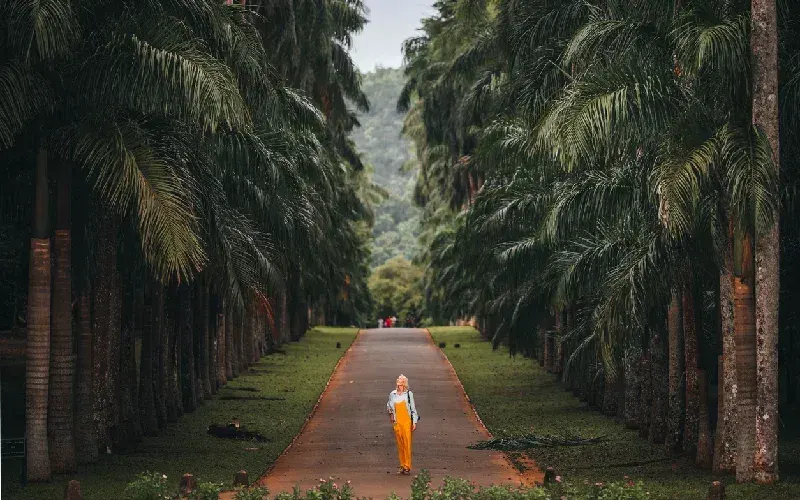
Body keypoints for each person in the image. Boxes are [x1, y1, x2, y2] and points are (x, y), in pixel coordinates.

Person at [386, 374, 418, 475]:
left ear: (405, 385)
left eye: (401, 384)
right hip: (397, 422)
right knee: (400, 444)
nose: (400, 386)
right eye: (398, 384)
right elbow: (389, 405)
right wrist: (391, 413)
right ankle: (402, 465)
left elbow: (413, 409)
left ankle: (407, 466)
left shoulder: (409, 394)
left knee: (407, 443)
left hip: (406, 421)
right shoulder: (392, 394)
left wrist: (414, 421)